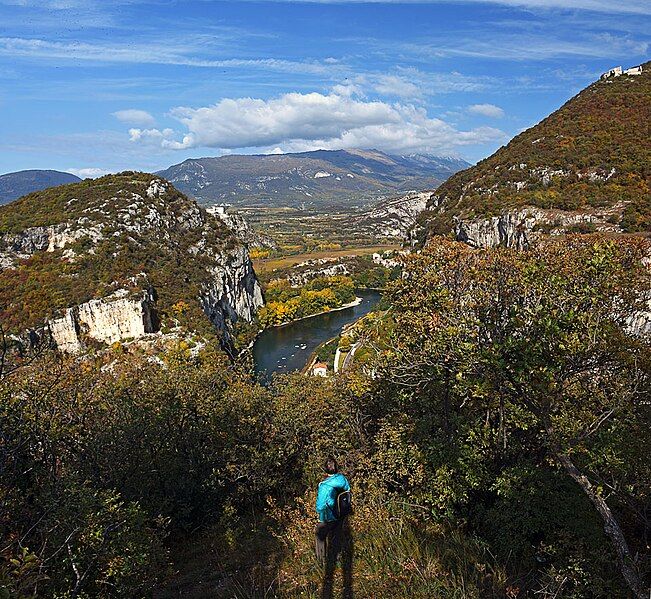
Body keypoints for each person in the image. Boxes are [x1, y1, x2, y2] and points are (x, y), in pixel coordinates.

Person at [315, 456, 351, 562]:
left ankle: (321, 561)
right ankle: (338, 557)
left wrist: (319, 513)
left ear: (325, 469)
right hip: (341, 513)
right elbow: (347, 490)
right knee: (336, 536)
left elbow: (320, 506)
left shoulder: (324, 486)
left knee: (319, 534)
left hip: (328, 516)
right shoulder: (342, 479)